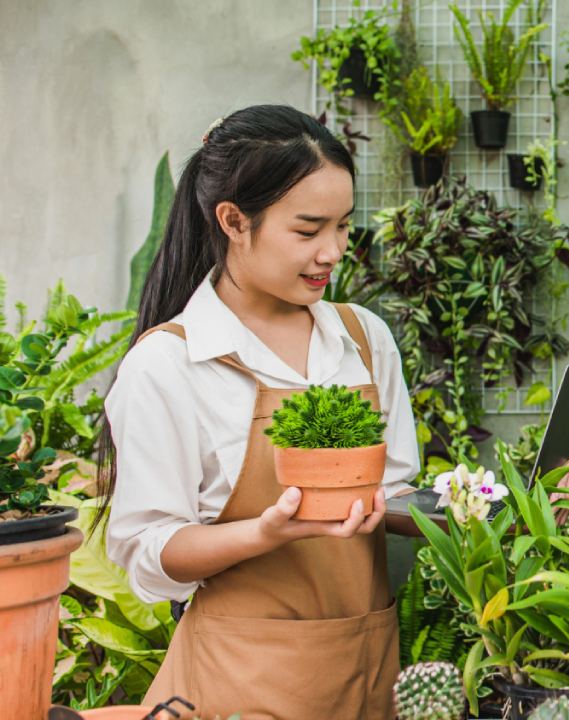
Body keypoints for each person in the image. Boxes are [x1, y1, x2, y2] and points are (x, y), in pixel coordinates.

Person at [98, 104, 420, 718]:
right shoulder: (170, 366)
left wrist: (472, 509)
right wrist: (265, 532)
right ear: (233, 221)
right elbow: (149, 549)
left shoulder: (362, 337)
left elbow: (393, 486)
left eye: (344, 226)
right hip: (235, 685)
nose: (333, 251)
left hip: (365, 672)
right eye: (307, 230)